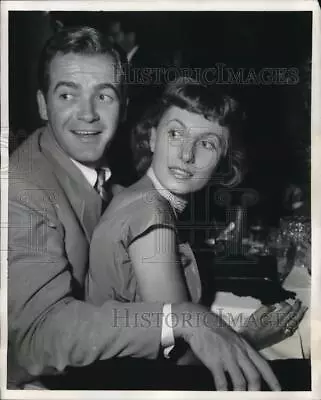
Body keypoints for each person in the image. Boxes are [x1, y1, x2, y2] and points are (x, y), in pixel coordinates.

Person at [8, 25, 281, 391]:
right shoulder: (22, 188)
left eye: (103, 96)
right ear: (42, 104)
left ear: (124, 107)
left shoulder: (105, 180)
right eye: (67, 95)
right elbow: (36, 336)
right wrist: (192, 321)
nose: (87, 114)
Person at [87, 78, 307, 361]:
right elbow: (180, 363)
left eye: (206, 143)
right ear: (152, 138)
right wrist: (250, 338)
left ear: (223, 160)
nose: (187, 155)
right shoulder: (151, 213)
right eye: (175, 134)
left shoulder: (141, 198)